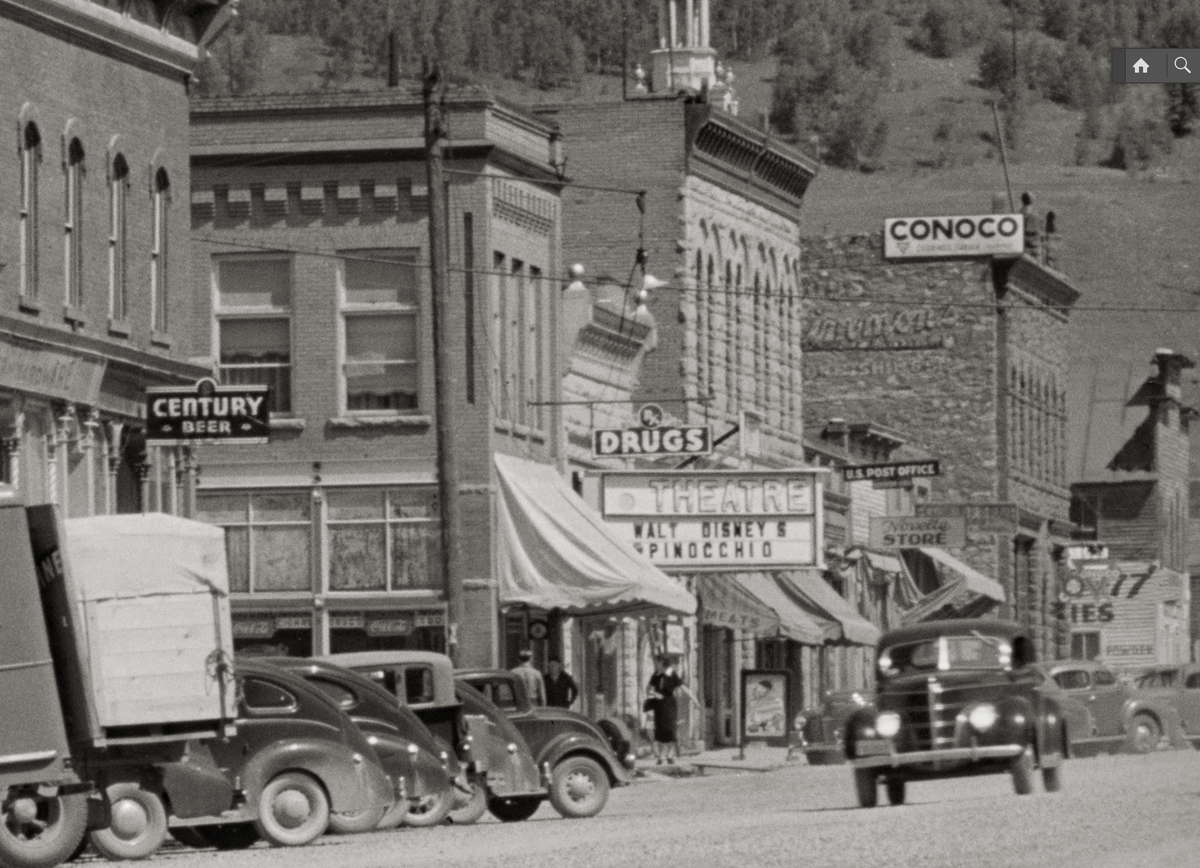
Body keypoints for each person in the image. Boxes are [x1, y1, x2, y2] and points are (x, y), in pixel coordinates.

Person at [646, 654, 696, 764]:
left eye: (657, 663)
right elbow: (648, 689)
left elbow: (682, 687)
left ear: (661, 664)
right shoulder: (656, 675)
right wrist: (654, 695)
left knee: (671, 730)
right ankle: (661, 756)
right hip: (659, 706)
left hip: (670, 705)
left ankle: (669, 754)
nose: (655, 665)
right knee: (660, 731)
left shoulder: (672, 674)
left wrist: (693, 698)